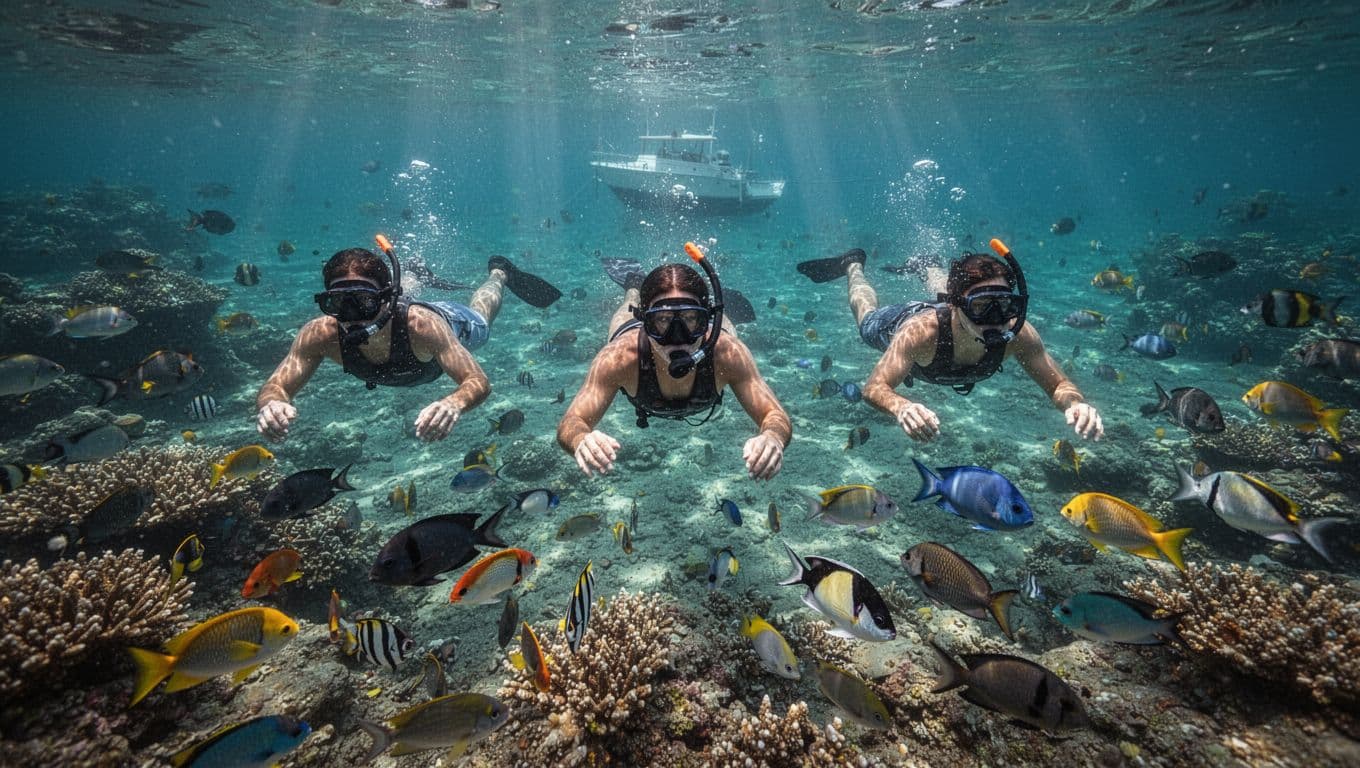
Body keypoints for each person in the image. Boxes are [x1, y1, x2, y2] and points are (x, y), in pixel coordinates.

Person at [796, 239, 1103, 442]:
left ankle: (928, 264)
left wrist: (1075, 404)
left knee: (953, 291)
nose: (995, 319)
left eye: (1005, 305)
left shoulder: (1018, 333)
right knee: (866, 321)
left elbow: (1059, 385)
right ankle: (853, 265)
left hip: (950, 310)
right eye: (981, 307)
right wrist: (901, 406)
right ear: (958, 306)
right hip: (903, 320)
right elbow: (874, 388)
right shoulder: (921, 333)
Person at [256, 238, 560, 442]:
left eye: (363, 302)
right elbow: (276, 386)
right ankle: (416, 276)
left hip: (448, 319)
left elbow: (477, 381)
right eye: (337, 304)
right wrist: (272, 404)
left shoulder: (423, 327)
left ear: (385, 300)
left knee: (481, 318)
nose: (352, 317)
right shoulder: (320, 335)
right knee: (400, 295)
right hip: (399, 309)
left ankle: (498, 274)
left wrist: (454, 403)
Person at [557, 248, 791, 480]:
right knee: (625, 310)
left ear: (705, 320)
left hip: (717, 334)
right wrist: (580, 439)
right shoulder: (620, 358)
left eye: (690, 319)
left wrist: (773, 436)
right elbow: (572, 421)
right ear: (646, 321)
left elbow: (774, 414)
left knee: (728, 330)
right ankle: (633, 286)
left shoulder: (727, 353)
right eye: (662, 320)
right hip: (630, 334)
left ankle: (716, 303)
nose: (677, 336)